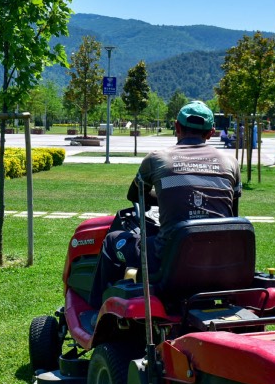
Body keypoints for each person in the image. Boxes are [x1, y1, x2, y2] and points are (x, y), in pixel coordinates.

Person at [100, 101, 241, 284]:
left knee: (112, 240)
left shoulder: (157, 158)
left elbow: (135, 196)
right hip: (218, 257)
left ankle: (96, 308)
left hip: (167, 256)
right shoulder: (231, 162)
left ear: (176, 126)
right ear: (211, 132)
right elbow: (232, 212)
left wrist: (167, 198)